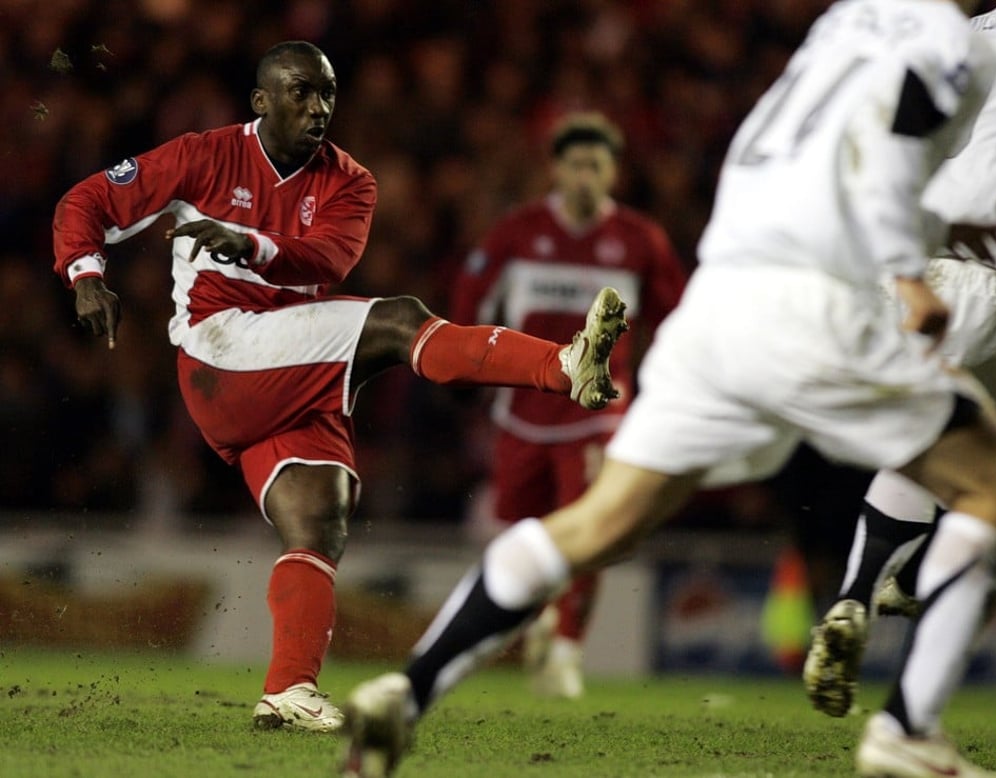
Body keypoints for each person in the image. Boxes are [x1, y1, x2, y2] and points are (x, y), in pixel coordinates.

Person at [337, 3, 996, 777]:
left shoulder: (845, 22)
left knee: (600, 523)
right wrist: (906, 268)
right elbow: (897, 153)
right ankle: (907, 728)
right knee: (995, 486)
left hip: (721, 296)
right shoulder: (951, 41)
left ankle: (409, 688)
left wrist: (931, 234)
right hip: (820, 300)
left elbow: (818, 152)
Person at [52, 40, 629, 734]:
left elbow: (329, 258)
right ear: (262, 101)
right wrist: (86, 275)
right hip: (221, 352)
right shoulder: (203, 156)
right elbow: (88, 199)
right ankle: (562, 366)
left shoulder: (350, 181)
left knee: (320, 517)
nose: (318, 107)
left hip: (289, 365)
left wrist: (254, 245)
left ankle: (288, 690)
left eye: (327, 92)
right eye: (300, 92)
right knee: (401, 322)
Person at [803, 0, 996, 721]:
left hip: (926, 262)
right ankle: (910, 701)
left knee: (943, 431)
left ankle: (857, 593)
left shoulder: (978, 30)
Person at [449, 111, 687, 699]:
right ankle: (539, 619)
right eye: (576, 164)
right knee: (518, 529)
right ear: (555, 170)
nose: (585, 176)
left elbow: (676, 320)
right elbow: (470, 303)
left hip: (598, 415)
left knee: (590, 526)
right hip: (523, 410)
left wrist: (663, 387)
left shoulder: (639, 240)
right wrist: (469, 372)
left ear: (613, 173)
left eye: (596, 166)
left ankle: (566, 648)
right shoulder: (517, 232)